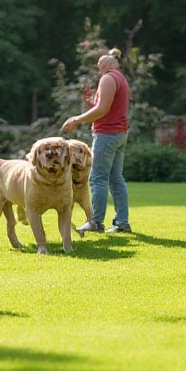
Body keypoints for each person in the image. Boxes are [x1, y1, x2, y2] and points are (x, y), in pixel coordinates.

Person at [62, 50, 132, 234]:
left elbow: (102, 110)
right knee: (116, 179)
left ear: (104, 65)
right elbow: (106, 107)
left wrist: (77, 119)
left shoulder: (108, 78)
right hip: (119, 133)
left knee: (98, 179)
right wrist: (92, 104)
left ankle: (96, 222)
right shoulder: (121, 78)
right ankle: (122, 222)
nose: (99, 72)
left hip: (107, 134)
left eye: (99, 68)